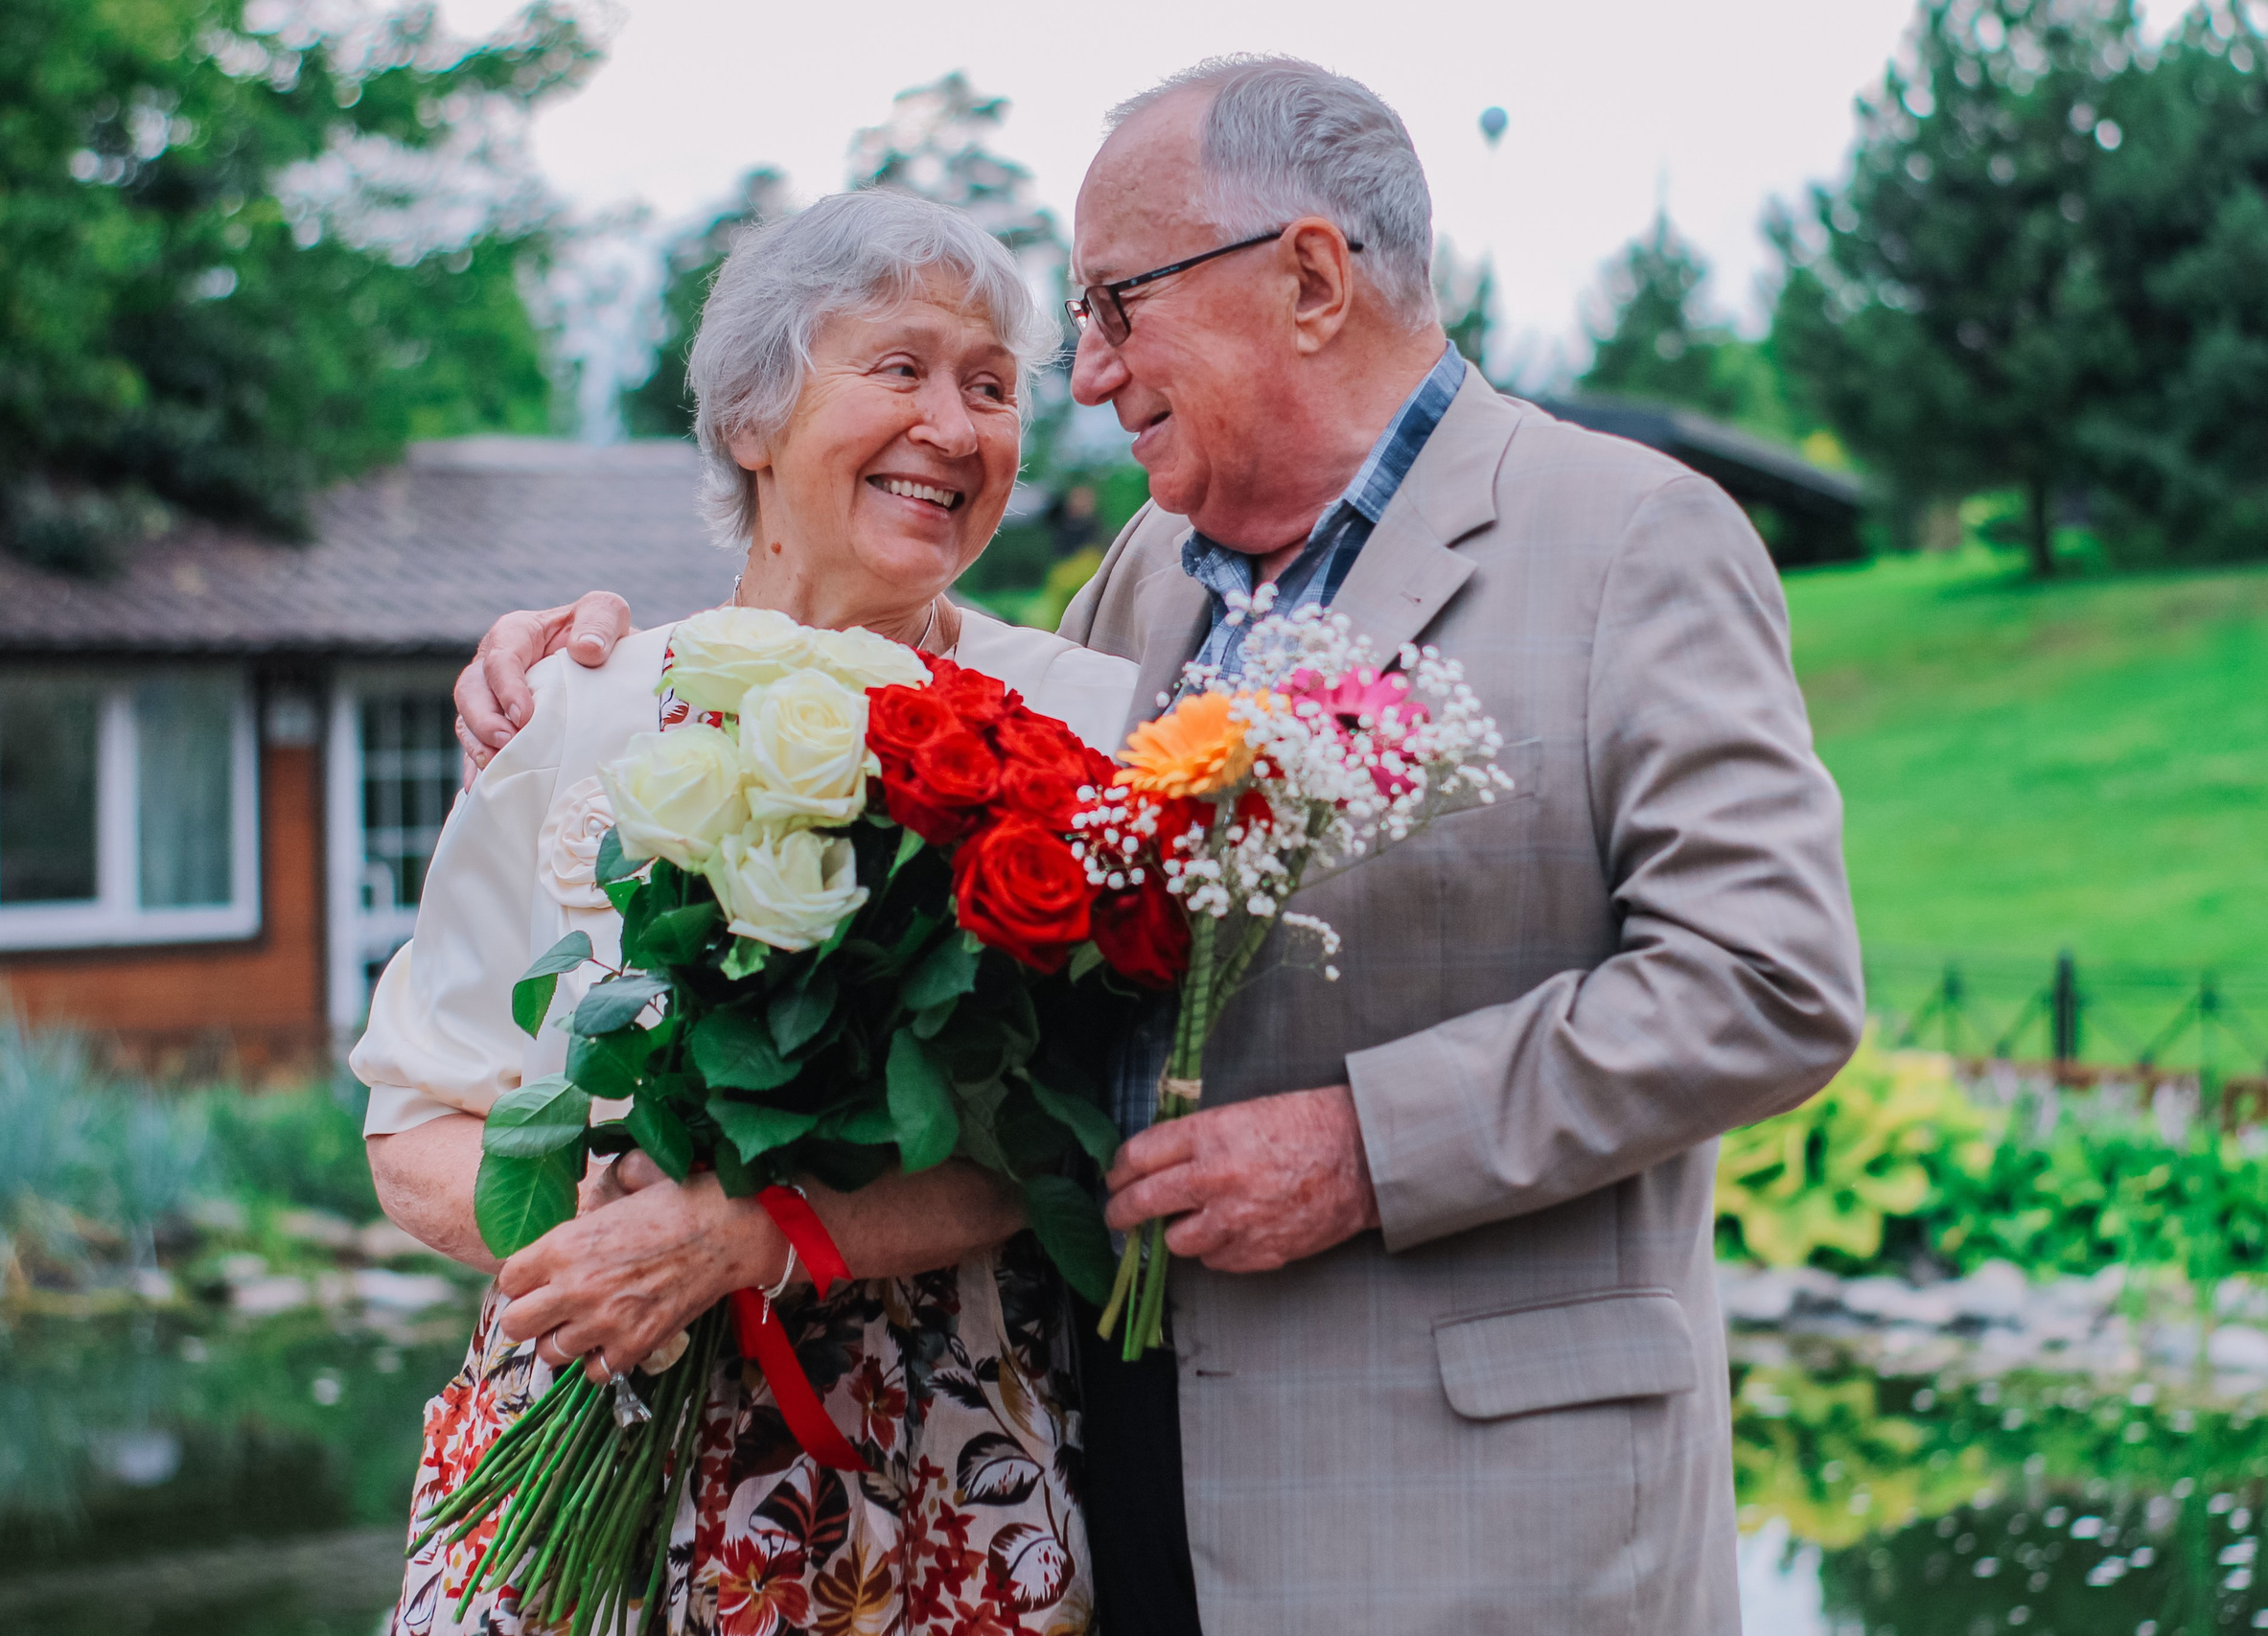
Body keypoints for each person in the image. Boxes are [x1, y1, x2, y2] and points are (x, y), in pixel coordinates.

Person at [454, 57, 1866, 1636]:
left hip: (1483, 1523)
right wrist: (594, 676)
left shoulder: (1629, 536)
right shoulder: (1140, 586)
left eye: (1118, 308)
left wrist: (1360, 1147)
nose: (1093, 375)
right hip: (1102, 1491)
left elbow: (1769, 980)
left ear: (1311, 280)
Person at [357, 188, 1137, 1636]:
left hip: (934, 1478)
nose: (955, 430)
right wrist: (601, 1225)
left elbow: (1080, 1140)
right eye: (899, 369)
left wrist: (753, 1231)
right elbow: (413, 1123)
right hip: (584, 1459)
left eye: (990, 388)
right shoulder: (576, 707)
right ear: (752, 421)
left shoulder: (1081, 722)